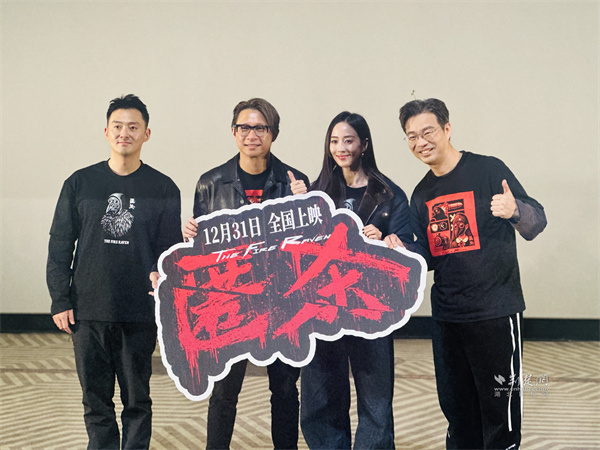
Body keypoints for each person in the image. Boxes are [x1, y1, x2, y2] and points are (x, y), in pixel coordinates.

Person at [386, 98, 547, 449]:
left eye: (428, 132)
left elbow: (536, 222)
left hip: (495, 312)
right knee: (458, 413)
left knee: (500, 411)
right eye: (412, 136)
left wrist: (514, 210)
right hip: (447, 317)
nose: (420, 142)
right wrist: (402, 251)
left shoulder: (488, 169)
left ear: (447, 129)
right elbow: (427, 256)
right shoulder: (421, 194)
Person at [47, 94, 182, 449]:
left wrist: (160, 279)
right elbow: (60, 245)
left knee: (137, 400)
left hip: (139, 311)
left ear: (146, 134)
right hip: (88, 309)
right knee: (95, 401)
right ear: (106, 132)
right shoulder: (80, 183)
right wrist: (60, 299)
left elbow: (168, 251)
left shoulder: (163, 188)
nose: (125, 133)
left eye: (133, 127)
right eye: (118, 126)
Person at [183, 98, 309, 450]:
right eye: (244, 127)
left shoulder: (294, 181)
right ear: (233, 131)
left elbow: (309, 248)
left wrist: (305, 202)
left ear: (274, 133)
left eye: (260, 128)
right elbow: (203, 252)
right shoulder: (211, 183)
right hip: (231, 302)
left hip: (283, 302)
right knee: (224, 390)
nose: (251, 135)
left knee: (285, 388)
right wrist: (190, 236)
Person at [290, 111, 412, 449]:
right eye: (334, 141)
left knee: (375, 399)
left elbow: (406, 249)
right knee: (320, 397)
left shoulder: (389, 195)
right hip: (322, 307)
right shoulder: (316, 193)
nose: (340, 148)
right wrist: (298, 208)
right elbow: (295, 251)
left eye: (348, 140)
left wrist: (383, 241)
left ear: (364, 144)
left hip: (371, 308)